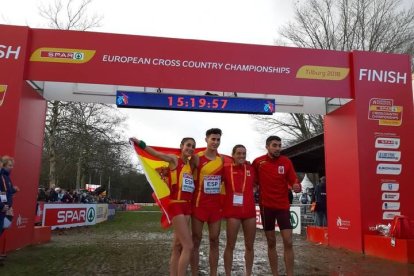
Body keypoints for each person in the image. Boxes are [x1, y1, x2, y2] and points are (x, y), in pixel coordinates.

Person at [130, 137, 196, 276]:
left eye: (193, 146)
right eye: (188, 145)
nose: (190, 148)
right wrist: (140, 143)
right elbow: (156, 155)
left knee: (177, 246)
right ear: (181, 146)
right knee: (188, 246)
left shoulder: (191, 164)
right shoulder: (174, 159)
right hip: (176, 206)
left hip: (187, 207)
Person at [252, 136, 300, 276]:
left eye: (279, 145)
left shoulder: (286, 161)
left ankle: (289, 274)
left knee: (288, 241)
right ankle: (275, 274)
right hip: (266, 207)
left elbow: (294, 179)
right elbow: (253, 182)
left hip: (282, 206)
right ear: (267, 146)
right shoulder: (258, 162)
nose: (278, 148)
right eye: (275, 145)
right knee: (271, 242)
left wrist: (297, 185)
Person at [191, 128, 224, 276]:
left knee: (214, 240)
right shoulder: (197, 158)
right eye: (213, 139)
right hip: (199, 205)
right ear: (206, 140)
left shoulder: (222, 160)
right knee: (196, 240)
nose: (215, 142)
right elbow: (185, 174)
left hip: (215, 207)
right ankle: (194, 272)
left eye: (218, 139)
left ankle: (213, 273)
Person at [222, 145, 256, 276]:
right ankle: (228, 273)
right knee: (230, 244)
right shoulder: (225, 169)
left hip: (249, 212)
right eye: (239, 153)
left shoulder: (251, 169)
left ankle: (248, 273)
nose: (242, 156)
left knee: (249, 245)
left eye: (244, 154)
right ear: (233, 155)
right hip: (232, 212)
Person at [0, 156, 20, 262]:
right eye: (9, 165)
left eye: (12, 166)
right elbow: (2, 192)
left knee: (5, 225)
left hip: (6, 208)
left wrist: (14, 190)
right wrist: (2, 205)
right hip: (2, 208)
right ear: (3, 164)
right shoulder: (1, 176)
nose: (11, 168)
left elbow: (7, 191)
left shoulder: (7, 177)